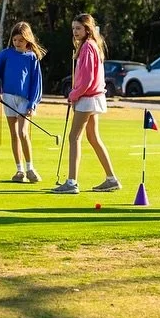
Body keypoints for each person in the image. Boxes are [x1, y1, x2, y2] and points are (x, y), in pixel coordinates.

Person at [52, 13, 120, 194]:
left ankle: (72, 182)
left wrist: (73, 94)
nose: (75, 31)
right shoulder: (87, 46)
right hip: (92, 98)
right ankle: (111, 179)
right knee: (93, 138)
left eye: (78, 28)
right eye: (73, 28)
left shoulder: (88, 47)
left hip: (88, 98)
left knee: (74, 137)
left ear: (87, 29)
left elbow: (88, 79)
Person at [0, 22, 46, 182]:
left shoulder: (32, 58)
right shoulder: (5, 54)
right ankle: (19, 171)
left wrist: (33, 104)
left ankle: (30, 168)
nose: (17, 43)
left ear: (27, 40)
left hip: (25, 100)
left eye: (20, 40)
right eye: (15, 40)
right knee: (14, 134)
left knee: (23, 133)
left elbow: (36, 83)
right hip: (8, 98)